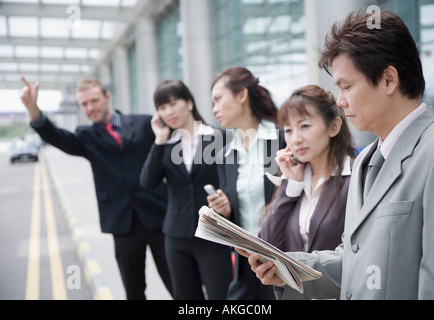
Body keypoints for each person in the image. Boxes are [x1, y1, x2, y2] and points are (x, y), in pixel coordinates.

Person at [238, 10, 434, 300]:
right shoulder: (366, 161)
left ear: (389, 80)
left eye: (346, 86)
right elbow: (355, 260)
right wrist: (287, 267)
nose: (340, 101)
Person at [19, 76, 173, 300]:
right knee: (134, 291)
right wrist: (34, 110)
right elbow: (56, 136)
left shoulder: (144, 123)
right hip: (123, 225)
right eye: (84, 104)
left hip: (159, 216)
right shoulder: (86, 135)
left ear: (107, 97)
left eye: (94, 100)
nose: (90, 108)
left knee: (179, 285)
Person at [258, 85, 357, 299]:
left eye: (304, 126)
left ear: (334, 126)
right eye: (288, 130)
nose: (295, 139)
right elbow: (268, 246)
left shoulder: (357, 176)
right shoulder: (293, 179)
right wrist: (289, 187)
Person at [140, 79, 233, 300]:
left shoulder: (219, 137)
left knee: (222, 296)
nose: (168, 112)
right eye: (162, 108)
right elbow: (147, 182)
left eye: (173, 103)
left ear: (189, 102)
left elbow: (230, 182)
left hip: (212, 235)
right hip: (176, 237)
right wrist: (159, 140)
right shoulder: (166, 144)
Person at [207, 67, 286, 300]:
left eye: (218, 99)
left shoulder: (282, 139)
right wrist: (224, 210)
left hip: (283, 260)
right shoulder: (226, 156)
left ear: (242, 96)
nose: (214, 109)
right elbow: (236, 218)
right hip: (246, 264)